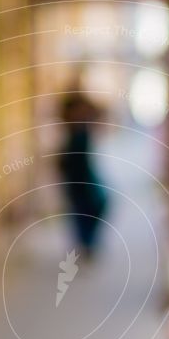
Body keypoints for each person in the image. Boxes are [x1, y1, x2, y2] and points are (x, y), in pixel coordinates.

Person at [57, 92, 109, 259]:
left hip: (83, 179)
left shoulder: (81, 132)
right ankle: (86, 246)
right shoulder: (76, 134)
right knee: (84, 212)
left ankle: (87, 245)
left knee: (90, 210)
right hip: (78, 181)